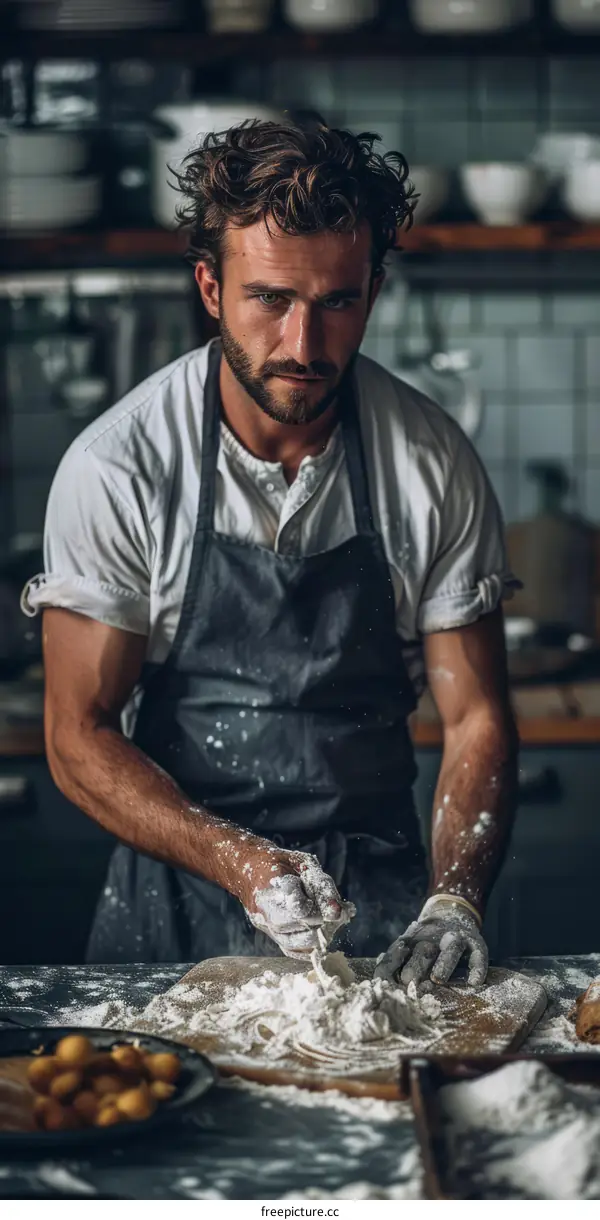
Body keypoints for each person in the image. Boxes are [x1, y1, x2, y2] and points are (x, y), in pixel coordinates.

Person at [23, 119, 519, 987]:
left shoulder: (429, 461)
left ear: (374, 289)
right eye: (272, 300)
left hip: (386, 918)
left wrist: (455, 899)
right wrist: (243, 862)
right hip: (176, 908)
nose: (304, 346)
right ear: (211, 287)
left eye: (337, 303)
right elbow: (77, 734)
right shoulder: (121, 466)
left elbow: (475, 716)